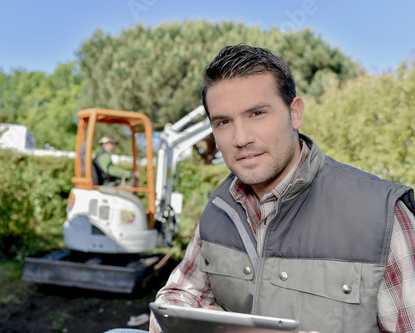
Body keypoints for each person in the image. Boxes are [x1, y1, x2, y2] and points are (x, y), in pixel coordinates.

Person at [145, 45, 415, 333]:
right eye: (223, 122)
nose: (240, 138)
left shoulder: (382, 215)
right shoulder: (218, 209)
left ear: (295, 113)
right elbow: (176, 298)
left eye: (257, 113)